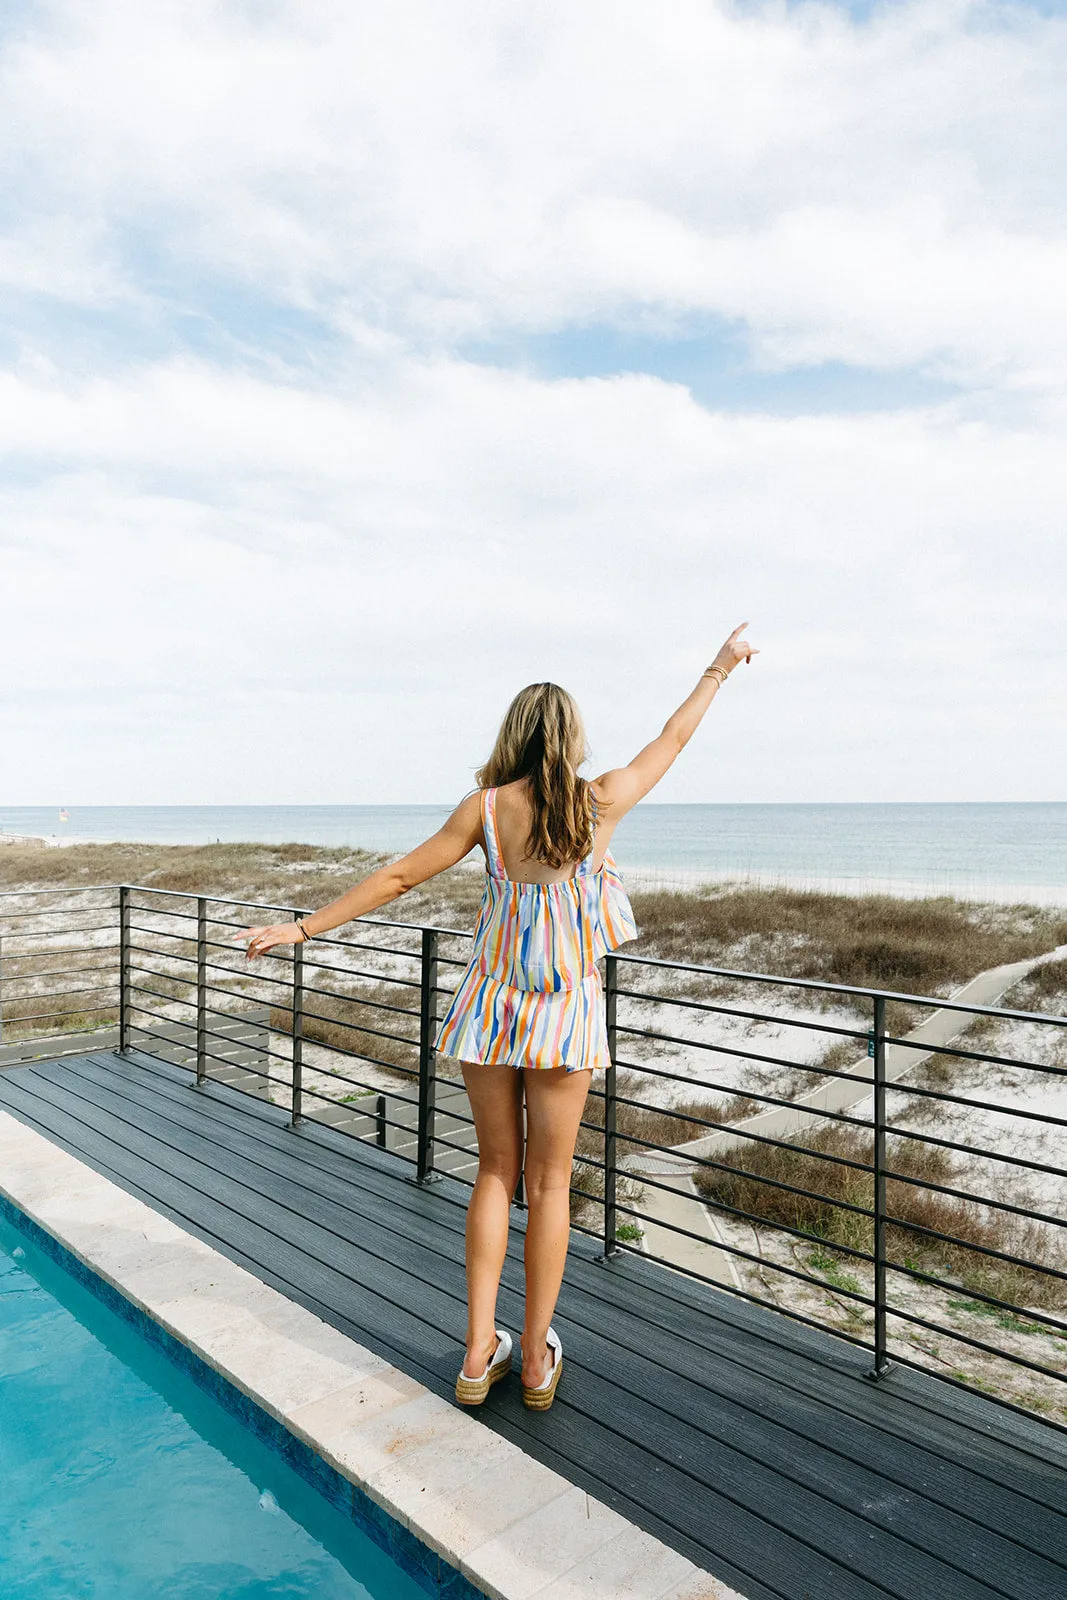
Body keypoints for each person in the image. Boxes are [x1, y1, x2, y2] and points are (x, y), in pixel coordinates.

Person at [235, 622, 758, 1411]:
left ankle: (479, 1351)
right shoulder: (600, 801)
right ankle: (538, 1359)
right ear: (572, 737)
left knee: (492, 1173)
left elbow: (400, 876)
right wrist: (720, 667)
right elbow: (672, 739)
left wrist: (302, 928)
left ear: (511, 735)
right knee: (550, 1185)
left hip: (489, 1007)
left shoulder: (484, 809)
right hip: (564, 1015)